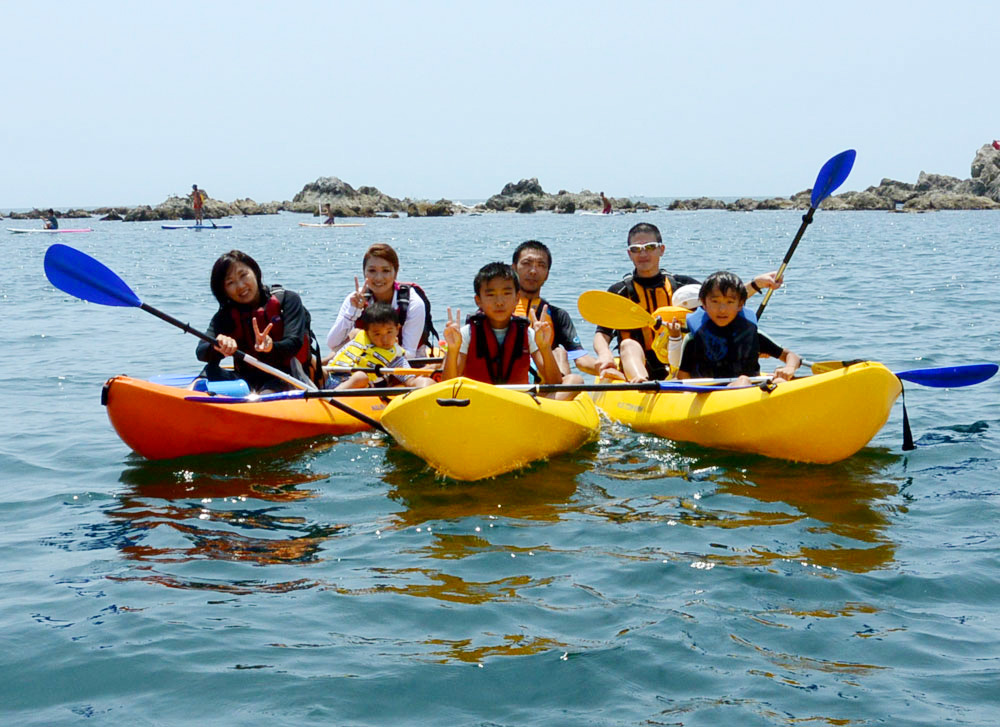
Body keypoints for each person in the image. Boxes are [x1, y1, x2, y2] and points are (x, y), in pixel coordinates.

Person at [593, 222, 782, 382]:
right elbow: (602, 334)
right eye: (636, 249)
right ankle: (640, 386)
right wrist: (605, 355)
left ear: (661, 249)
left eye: (650, 247)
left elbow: (722, 303)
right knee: (628, 344)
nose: (643, 254)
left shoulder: (684, 286)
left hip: (682, 361)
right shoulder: (619, 291)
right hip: (637, 363)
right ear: (629, 254)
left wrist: (757, 284)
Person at [442, 261, 582, 400]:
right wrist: (453, 350)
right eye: (491, 295)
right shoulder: (467, 333)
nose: (499, 302)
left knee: (575, 381)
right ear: (478, 300)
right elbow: (448, 386)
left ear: (517, 298)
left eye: (507, 293)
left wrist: (545, 347)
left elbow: (555, 383)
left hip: (518, 404)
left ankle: (536, 415)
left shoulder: (528, 333)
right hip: (478, 403)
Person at [196, 250, 322, 393]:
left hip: (286, 378)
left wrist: (270, 347)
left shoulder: (287, 301)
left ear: (255, 272)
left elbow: (294, 343)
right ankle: (186, 401)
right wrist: (217, 346)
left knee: (271, 387)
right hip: (245, 380)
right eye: (230, 282)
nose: (240, 286)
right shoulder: (225, 315)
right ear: (224, 291)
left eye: (243, 275)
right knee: (209, 371)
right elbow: (201, 351)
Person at [676, 271, 801, 387]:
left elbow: (791, 356)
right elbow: (683, 379)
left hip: (750, 392)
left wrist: (789, 368)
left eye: (730, 302)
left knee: (780, 381)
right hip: (710, 395)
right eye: (715, 301)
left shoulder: (751, 334)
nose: (722, 309)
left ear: (740, 304)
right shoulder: (693, 339)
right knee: (743, 380)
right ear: (704, 303)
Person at [326, 243, 437, 359]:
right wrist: (353, 311)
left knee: (354, 336)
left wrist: (364, 341)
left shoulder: (413, 303)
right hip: (364, 362)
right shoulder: (356, 298)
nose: (378, 278)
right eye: (372, 271)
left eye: (386, 271)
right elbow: (333, 343)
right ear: (364, 272)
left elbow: (409, 354)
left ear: (396, 272)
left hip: (404, 365)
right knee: (331, 356)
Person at [512, 240, 598, 379]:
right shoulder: (499, 310)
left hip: (546, 379)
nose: (533, 271)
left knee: (559, 352)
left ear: (547, 274)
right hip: (507, 376)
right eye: (527, 263)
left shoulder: (557, 315)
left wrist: (610, 368)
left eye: (541, 265)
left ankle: (561, 395)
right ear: (514, 268)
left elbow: (580, 359)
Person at [326, 303, 435, 390]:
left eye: (389, 332)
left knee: (360, 376)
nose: (384, 339)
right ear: (367, 333)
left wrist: (427, 374)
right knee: (313, 364)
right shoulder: (357, 335)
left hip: (355, 385)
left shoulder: (396, 359)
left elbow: (409, 380)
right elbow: (336, 354)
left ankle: (330, 396)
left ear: (397, 329)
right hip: (331, 377)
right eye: (377, 334)